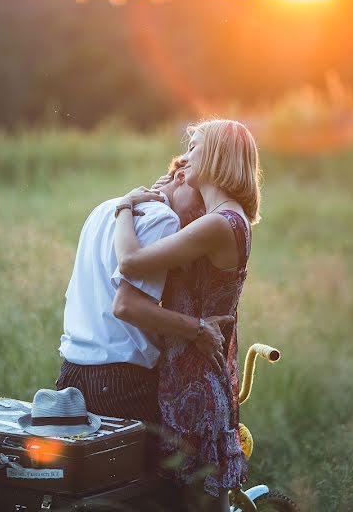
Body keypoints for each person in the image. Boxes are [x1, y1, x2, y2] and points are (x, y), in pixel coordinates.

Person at [112, 119, 261, 512]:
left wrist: (125, 206)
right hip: (185, 383)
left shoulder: (220, 224)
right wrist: (165, 197)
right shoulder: (220, 219)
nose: (186, 157)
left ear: (214, 156)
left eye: (194, 147)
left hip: (196, 393)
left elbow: (130, 262)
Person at [56, 159, 234, 430]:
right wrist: (198, 329)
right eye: (200, 200)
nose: (202, 215)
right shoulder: (164, 218)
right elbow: (126, 306)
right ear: (180, 177)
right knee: (143, 471)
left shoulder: (107, 208)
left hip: (72, 370)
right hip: (120, 380)